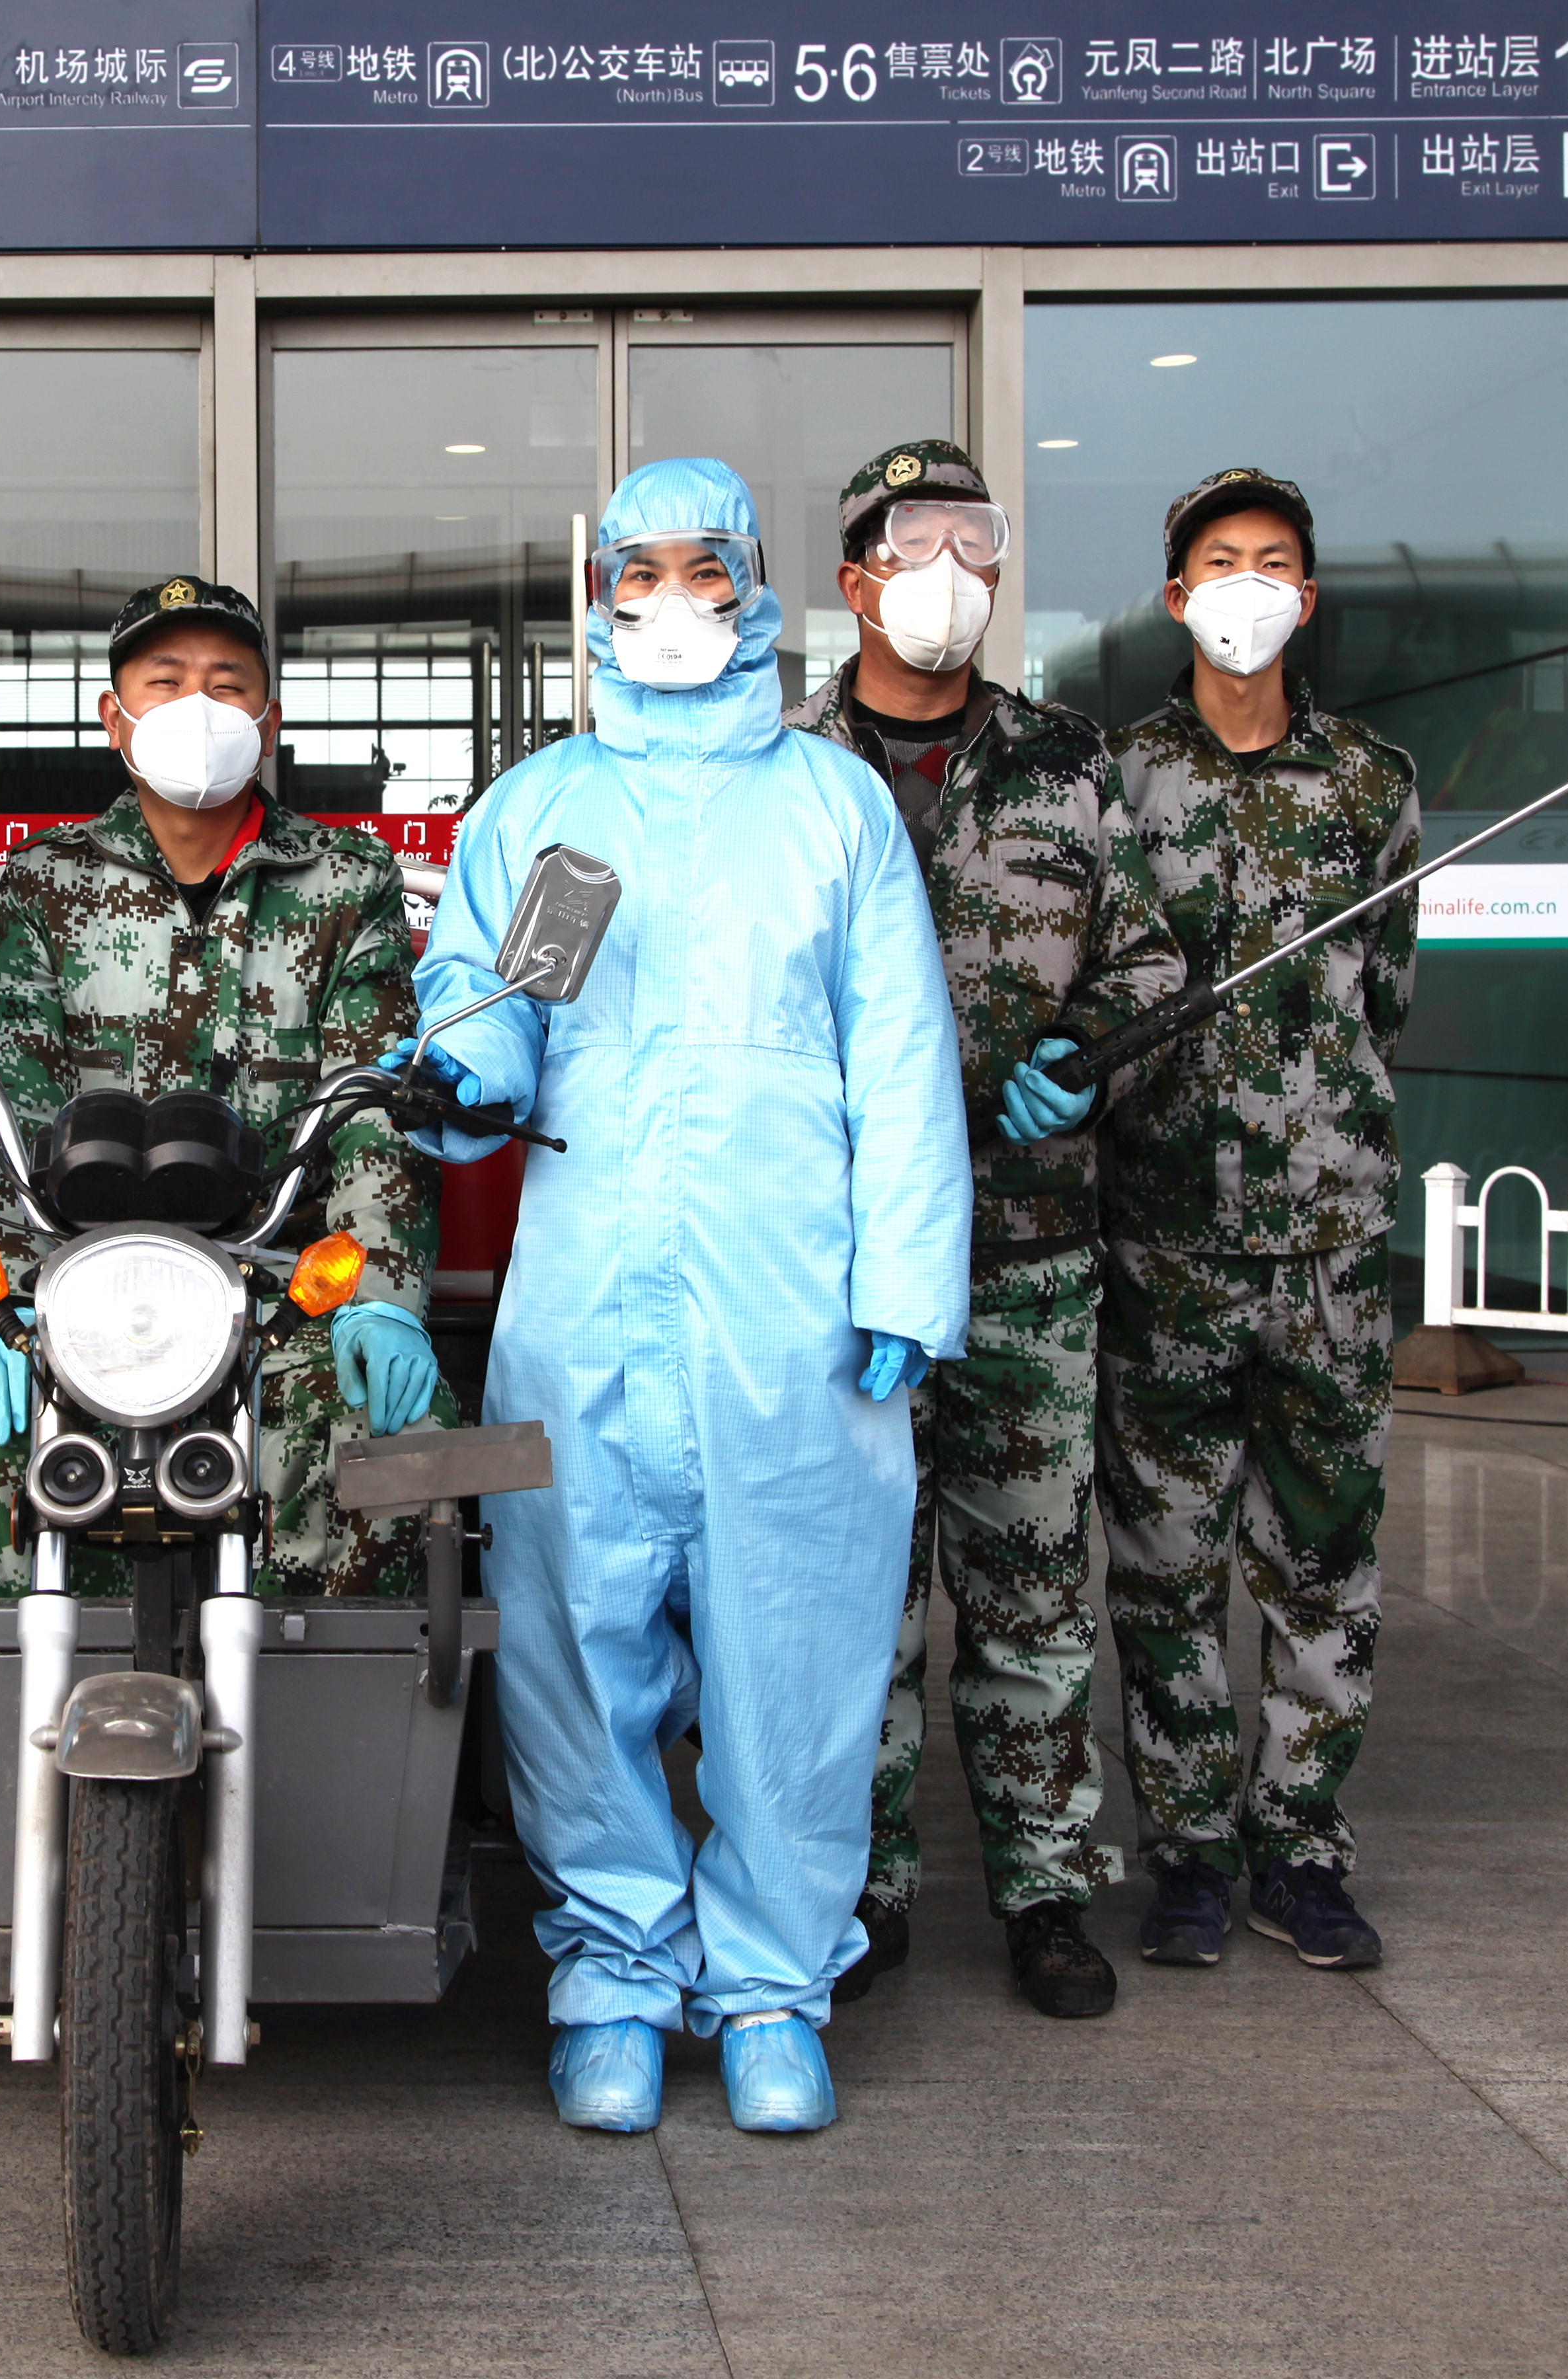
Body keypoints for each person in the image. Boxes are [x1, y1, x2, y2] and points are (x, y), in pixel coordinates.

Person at [409, 458, 970, 2136]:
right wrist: (472, 1061)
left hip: (787, 1307)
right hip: (583, 1297)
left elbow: (902, 1054)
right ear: (599, 605)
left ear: (755, 586)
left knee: (795, 1653)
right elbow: (476, 991)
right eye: (637, 572)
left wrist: (906, 1276)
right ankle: (613, 1979)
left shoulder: (835, 809)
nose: (670, 600)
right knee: (574, 1645)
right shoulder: (535, 805)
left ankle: (775, 1988)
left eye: (703, 569)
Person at [781, 438, 1183, 2022]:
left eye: (974, 537)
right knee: (857, 1599)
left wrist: (1085, 1055)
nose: (948, 569)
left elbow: (1148, 965)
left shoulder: (1067, 764)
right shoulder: (787, 766)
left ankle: (1045, 1891)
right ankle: (863, 1889)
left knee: (1029, 1587)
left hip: (1025, 1248)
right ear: (855, 579)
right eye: (913, 542)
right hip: (843, 1262)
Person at [0, 575, 446, 1598]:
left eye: (227, 685)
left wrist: (382, 1300)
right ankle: (61, 1687)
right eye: (165, 682)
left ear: (268, 719)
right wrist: (11, 1313)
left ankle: (319, 1697)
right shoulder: (43, 883)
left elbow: (375, 1111)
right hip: (82, 1292)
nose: (198, 707)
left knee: (396, 1444)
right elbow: (8, 1121)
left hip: (288, 1295)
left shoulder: (349, 880)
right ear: (114, 718)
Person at [1099, 467, 1417, 1973]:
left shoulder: (1371, 781)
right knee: (1165, 1565)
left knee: (1324, 1557)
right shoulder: (1115, 782)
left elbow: (1388, 990)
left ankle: (1301, 1847)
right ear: (1179, 597)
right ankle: (1187, 1856)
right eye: (1219, 561)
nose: (1247, 585)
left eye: (1273, 561)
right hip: (1164, 1235)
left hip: (1331, 1240)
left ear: (1306, 593)